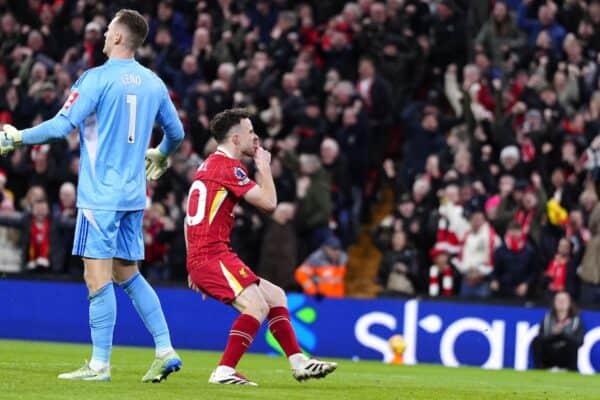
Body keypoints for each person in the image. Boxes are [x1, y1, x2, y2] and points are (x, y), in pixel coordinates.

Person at [0, 9, 184, 382]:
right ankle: (165, 349)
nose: (102, 37)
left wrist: (17, 136)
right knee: (126, 272)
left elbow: (61, 125)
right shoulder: (153, 83)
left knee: (96, 277)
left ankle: (99, 365)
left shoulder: (96, 78)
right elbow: (176, 133)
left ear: (118, 37)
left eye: (107, 32)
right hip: (134, 197)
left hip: (100, 196)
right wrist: (161, 154)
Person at [185, 108, 337, 386]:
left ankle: (298, 361)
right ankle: (224, 371)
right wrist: (264, 166)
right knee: (255, 306)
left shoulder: (207, 165)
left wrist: (191, 262)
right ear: (235, 138)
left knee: (276, 296)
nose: (255, 138)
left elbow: (189, 216)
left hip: (207, 254)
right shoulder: (229, 167)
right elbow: (269, 203)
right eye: (251, 132)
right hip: (211, 254)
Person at [532, 291, 584, 371]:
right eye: (559, 300)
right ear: (554, 302)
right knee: (536, 341)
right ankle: (540, 369)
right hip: (549, 354)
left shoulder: (576, 321)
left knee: (572, 345)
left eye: (564, 300)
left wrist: (562, 334)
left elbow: (579, 342)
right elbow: (540, 338)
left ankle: (571, 371)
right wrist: (554, 334)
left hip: (565, 355)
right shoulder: (547, 319)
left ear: (569, 303)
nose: (561, 302)